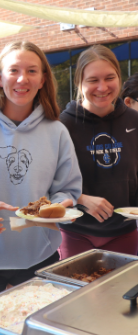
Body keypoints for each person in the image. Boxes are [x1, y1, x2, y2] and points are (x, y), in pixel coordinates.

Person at [0, 41, 82, 335]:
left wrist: (60, 204)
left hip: (38, 255)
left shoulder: (57, 130)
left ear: (42, 79)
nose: (22, 79)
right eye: (14, 70)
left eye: (31, 71)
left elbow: (68, 188)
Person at [58, 45, 138, 258]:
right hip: (74, 234)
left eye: (109, 78)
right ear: (79, 82)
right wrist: (81, 198)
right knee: (77, 292)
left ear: (119, 78)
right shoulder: (61, 126)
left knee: (120, 292)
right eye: (93, 80)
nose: (102, 87)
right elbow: (46, 182)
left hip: (125, 233)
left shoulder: (134, 121)